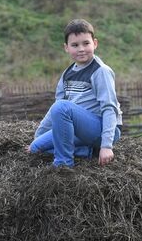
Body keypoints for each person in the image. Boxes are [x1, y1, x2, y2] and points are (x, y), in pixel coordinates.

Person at [25, 19, 122, 167]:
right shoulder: (67, 74)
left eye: (86, 43)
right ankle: (85, 152)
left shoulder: (100, 71)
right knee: (35, 148)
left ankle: (63, 164)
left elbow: (110, 108)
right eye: (75, 45)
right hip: (77, 129)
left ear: (95, 43)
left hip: (101, 129)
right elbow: (55, 110)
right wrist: (39, 136)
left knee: (62, 107)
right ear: (66, 48)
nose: (81, 49)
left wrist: (106, 146)